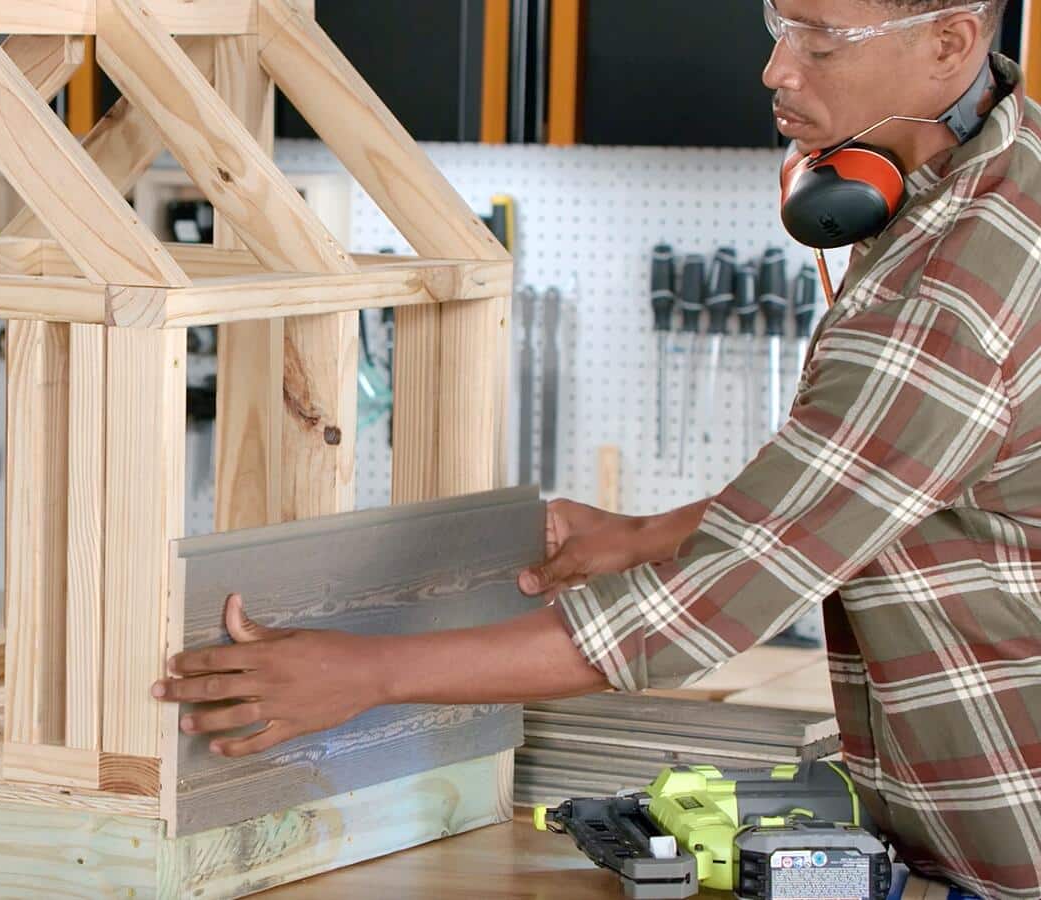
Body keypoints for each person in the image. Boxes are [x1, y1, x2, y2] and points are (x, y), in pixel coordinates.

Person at [152, 2, 1041, 897]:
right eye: (779, 28)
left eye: (820, 42)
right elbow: (872, 480)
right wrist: (645, 534)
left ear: (950, 44)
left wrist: (368, 672)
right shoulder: (1001, 169)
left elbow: (705, 606)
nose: (777, 71)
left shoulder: (951, 292)